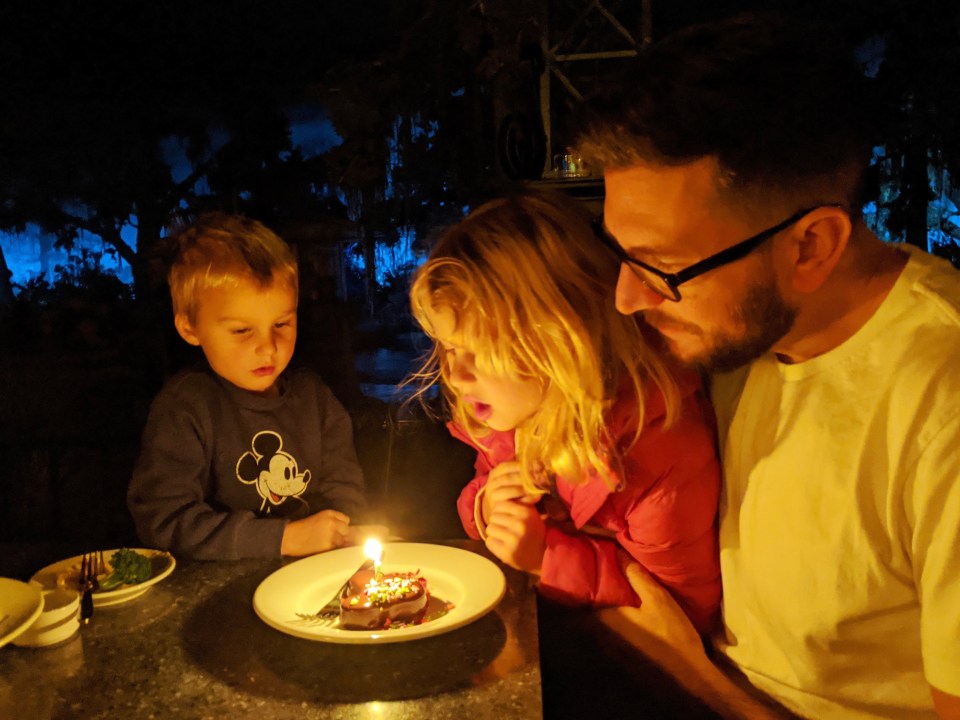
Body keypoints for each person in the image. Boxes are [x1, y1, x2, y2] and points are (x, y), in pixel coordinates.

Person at [576, 11, 960, 720]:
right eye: (620, 255)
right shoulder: (736, 341)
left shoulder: (939, 406)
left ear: (810, 246)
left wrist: (690, 674)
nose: (628, 299)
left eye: (664, 267)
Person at [407, 190, 722, 633]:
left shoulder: (657, 455)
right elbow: (484, 483)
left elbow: (681, 614)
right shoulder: (516, 417)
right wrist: (488, 507)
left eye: (482, 351)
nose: (456, 376)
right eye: (450, 348)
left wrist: (546, 558)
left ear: (563, 340)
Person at [127, 212, 370, 560]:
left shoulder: (315, 399)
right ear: (190, 328)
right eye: (242, 330)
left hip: (312, 578)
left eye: (282, 324)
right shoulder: (185, 408)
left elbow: (345, 491)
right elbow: (164, 520)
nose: (268, 348)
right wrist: (282, 539)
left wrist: (343, 532)